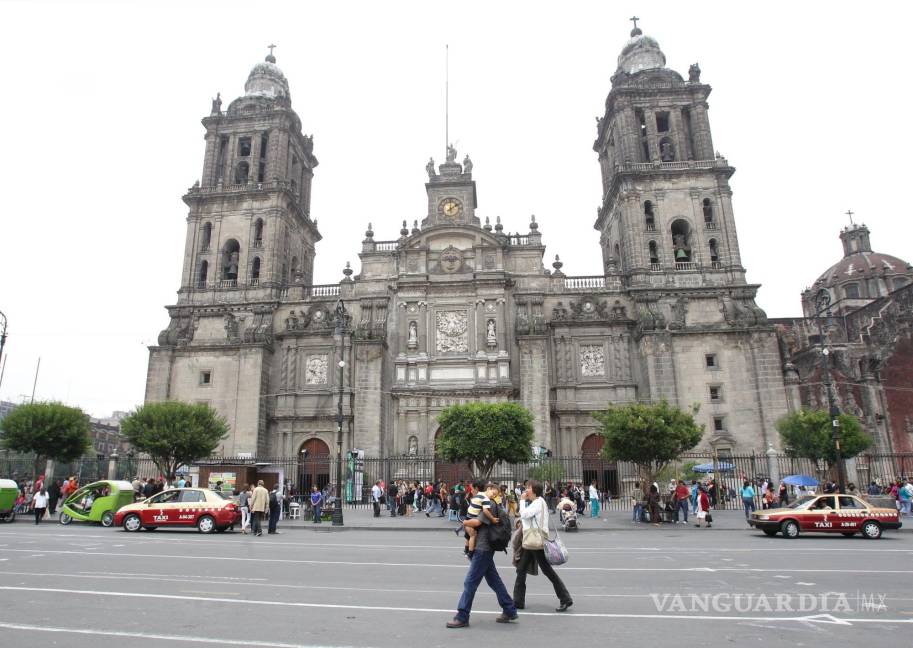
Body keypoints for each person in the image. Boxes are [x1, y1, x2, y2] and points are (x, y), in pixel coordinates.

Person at [447, 479, 518, 629]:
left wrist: (464, 523)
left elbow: (477, 523)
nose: (472, 491)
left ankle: (462, 616)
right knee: (494, 580)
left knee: (470, 582)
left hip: (483, 548)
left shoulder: (489, 505)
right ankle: (510, 609)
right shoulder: (487, 503)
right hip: (484, 547)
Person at [512, 479, 573, 612]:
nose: (525, 490)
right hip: (530, 542)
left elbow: (524, 514)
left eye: (528, 487)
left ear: (533, 490)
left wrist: (521, 501)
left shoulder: (539, 502)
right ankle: (518, 601)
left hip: (536, 542)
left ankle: (565, 598)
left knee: (547, 570)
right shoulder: (536, 502)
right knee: (521, 569)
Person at [454, 481, 499, 558]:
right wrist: (492, 519)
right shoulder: (486, 499)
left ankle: (468, 551)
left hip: (470, 515)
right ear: (488, 489)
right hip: (472, 517)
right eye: (493, 494)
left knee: (471, 535)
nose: (493, 496)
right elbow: (485, 511)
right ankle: (470, 552)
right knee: (473, 534)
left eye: (495, 496)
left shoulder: (480, 494)